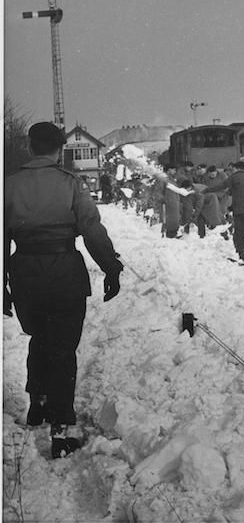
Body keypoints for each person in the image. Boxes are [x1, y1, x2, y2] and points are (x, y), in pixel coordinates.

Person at [4, 122, 123, 458]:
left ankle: (37, 403)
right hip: (63, 275)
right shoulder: (70, 184)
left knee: (40, 338)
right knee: (62, 350)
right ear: (59, 150)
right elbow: (91, 230)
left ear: (30, 147)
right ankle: (63, 429)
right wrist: (111, 268)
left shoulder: (8, 186)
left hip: (25, 274)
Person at [203, 161, 244, 261]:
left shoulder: (235, 177)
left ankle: (241, 256)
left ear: (237, 168)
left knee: (239, 234)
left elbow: (222, 186)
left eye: (233, 169)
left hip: (241, 211)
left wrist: (207, 190)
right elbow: (243, 192)